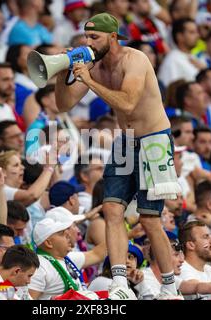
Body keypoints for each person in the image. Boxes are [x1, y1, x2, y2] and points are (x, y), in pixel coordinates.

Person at [54, 12, 181, 298]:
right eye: (86, 37)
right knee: (112, 208)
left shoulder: (135, 59)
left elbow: (127, 101)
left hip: (155, 141)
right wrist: (65, 74)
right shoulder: (93, 67)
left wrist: (88, 80)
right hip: (125, 141)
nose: (88, 42)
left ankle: (170, 286)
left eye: (94, 37)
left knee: (150, 220)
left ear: (112, 37)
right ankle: (120, 281)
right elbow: (63, 105)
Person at [28, 217, 107, 300]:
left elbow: (97, 254)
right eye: (62, 234)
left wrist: (115, 226)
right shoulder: (39, 267)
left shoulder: (67, 258)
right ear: (48, 243)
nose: (68, 235)